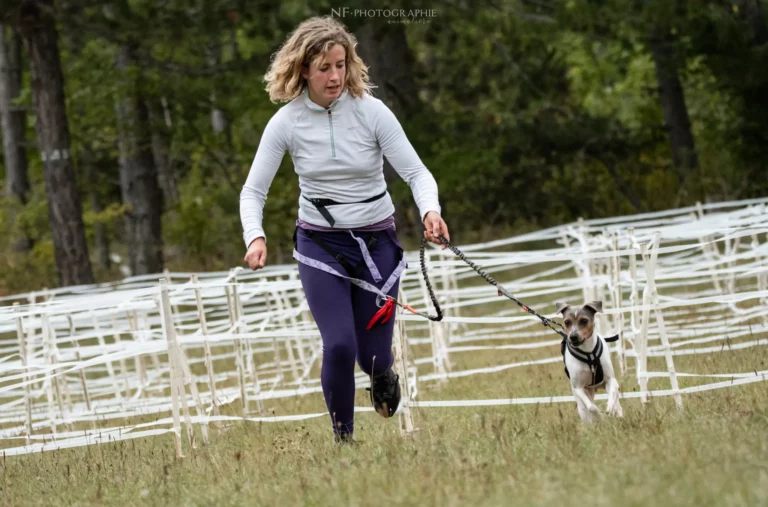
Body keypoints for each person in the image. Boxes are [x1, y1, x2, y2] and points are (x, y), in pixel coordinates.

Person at [239, 15, 450, 444]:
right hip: (321, 246)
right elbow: (253, 191)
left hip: (377, 244)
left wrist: (430, 211)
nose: (334, 76)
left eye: (340, 65)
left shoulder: (372, 112)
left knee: (372, 357)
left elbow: (416, 173)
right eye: (324, 68)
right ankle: (344, 441)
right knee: (338, 345)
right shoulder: (286, 122)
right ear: (303, 70)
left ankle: (383, 371)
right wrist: (254, 236)